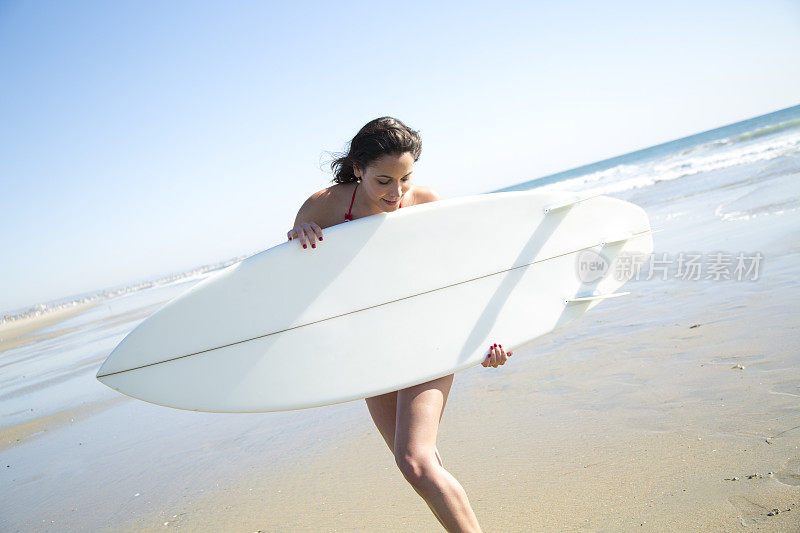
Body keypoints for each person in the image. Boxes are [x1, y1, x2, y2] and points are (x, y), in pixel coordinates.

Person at [287, 117, 512, 532]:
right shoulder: (326, 206)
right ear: (358, 169)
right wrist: (299, 237)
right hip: (369, 346)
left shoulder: (426, 202)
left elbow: (467, 274)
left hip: (430, 332)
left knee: (414, 460)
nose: (397, 193)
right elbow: (299, 283)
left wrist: (490, 336)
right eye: (384, 180)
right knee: (418, 462)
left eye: (405, 179)